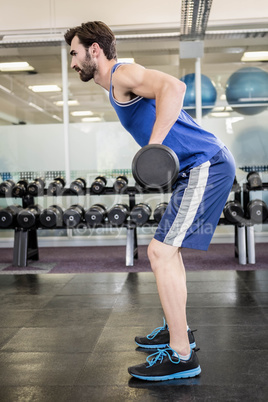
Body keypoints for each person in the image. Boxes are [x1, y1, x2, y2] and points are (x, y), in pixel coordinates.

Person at [64, 21, 236, 382]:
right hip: (194, 167)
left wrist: (154, 147)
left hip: (205, 163)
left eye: (75, 54)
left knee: (160, 252)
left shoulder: (123, 73)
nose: (73, 64)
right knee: (166, 252)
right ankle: (178, 331)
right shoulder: (117, 82)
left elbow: (174, 86)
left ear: (94, 50)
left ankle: (182, 355)